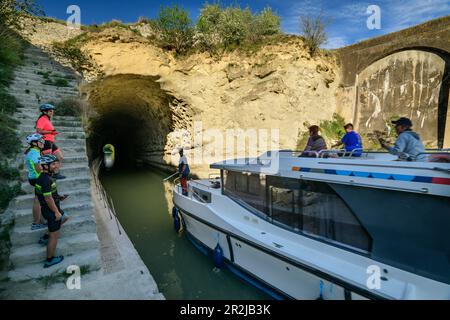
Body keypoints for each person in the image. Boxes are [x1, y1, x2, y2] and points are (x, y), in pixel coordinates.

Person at [35, 154, 69, 268]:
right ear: (45, 166)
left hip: (52, 208)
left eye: (56, 163)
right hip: (51, 211)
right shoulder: (45, 179)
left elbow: (51, 195)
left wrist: (59, 197)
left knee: (65, 217)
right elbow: (47, 198)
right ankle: (50, 260)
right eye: (53, 164)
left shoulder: (47, 176)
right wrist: (56, 212)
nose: (56, 166)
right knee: (54, 236)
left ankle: (45, 236)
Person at [35, 103, 65, 180]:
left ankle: (55, 174)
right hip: (45, 142)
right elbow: (39, 131)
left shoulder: (47, 119)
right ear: (45, 112)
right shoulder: (42, 119)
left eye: (52, 111)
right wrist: (51, 132)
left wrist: (52, 132)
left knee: (60, 157)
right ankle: (47, 176)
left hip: (51, 142)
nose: (52, 112)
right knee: (48, 160)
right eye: (50, 111)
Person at [24, 133, 47, 230]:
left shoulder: (34, 151)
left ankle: (39, 221)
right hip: (37, 178)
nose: (43, 142)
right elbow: (38, 169)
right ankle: (36, 223)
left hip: (33, 177)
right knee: (38, 200)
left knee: (39, 199)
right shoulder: (34, 152)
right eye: (40, 140)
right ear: (34, 143)